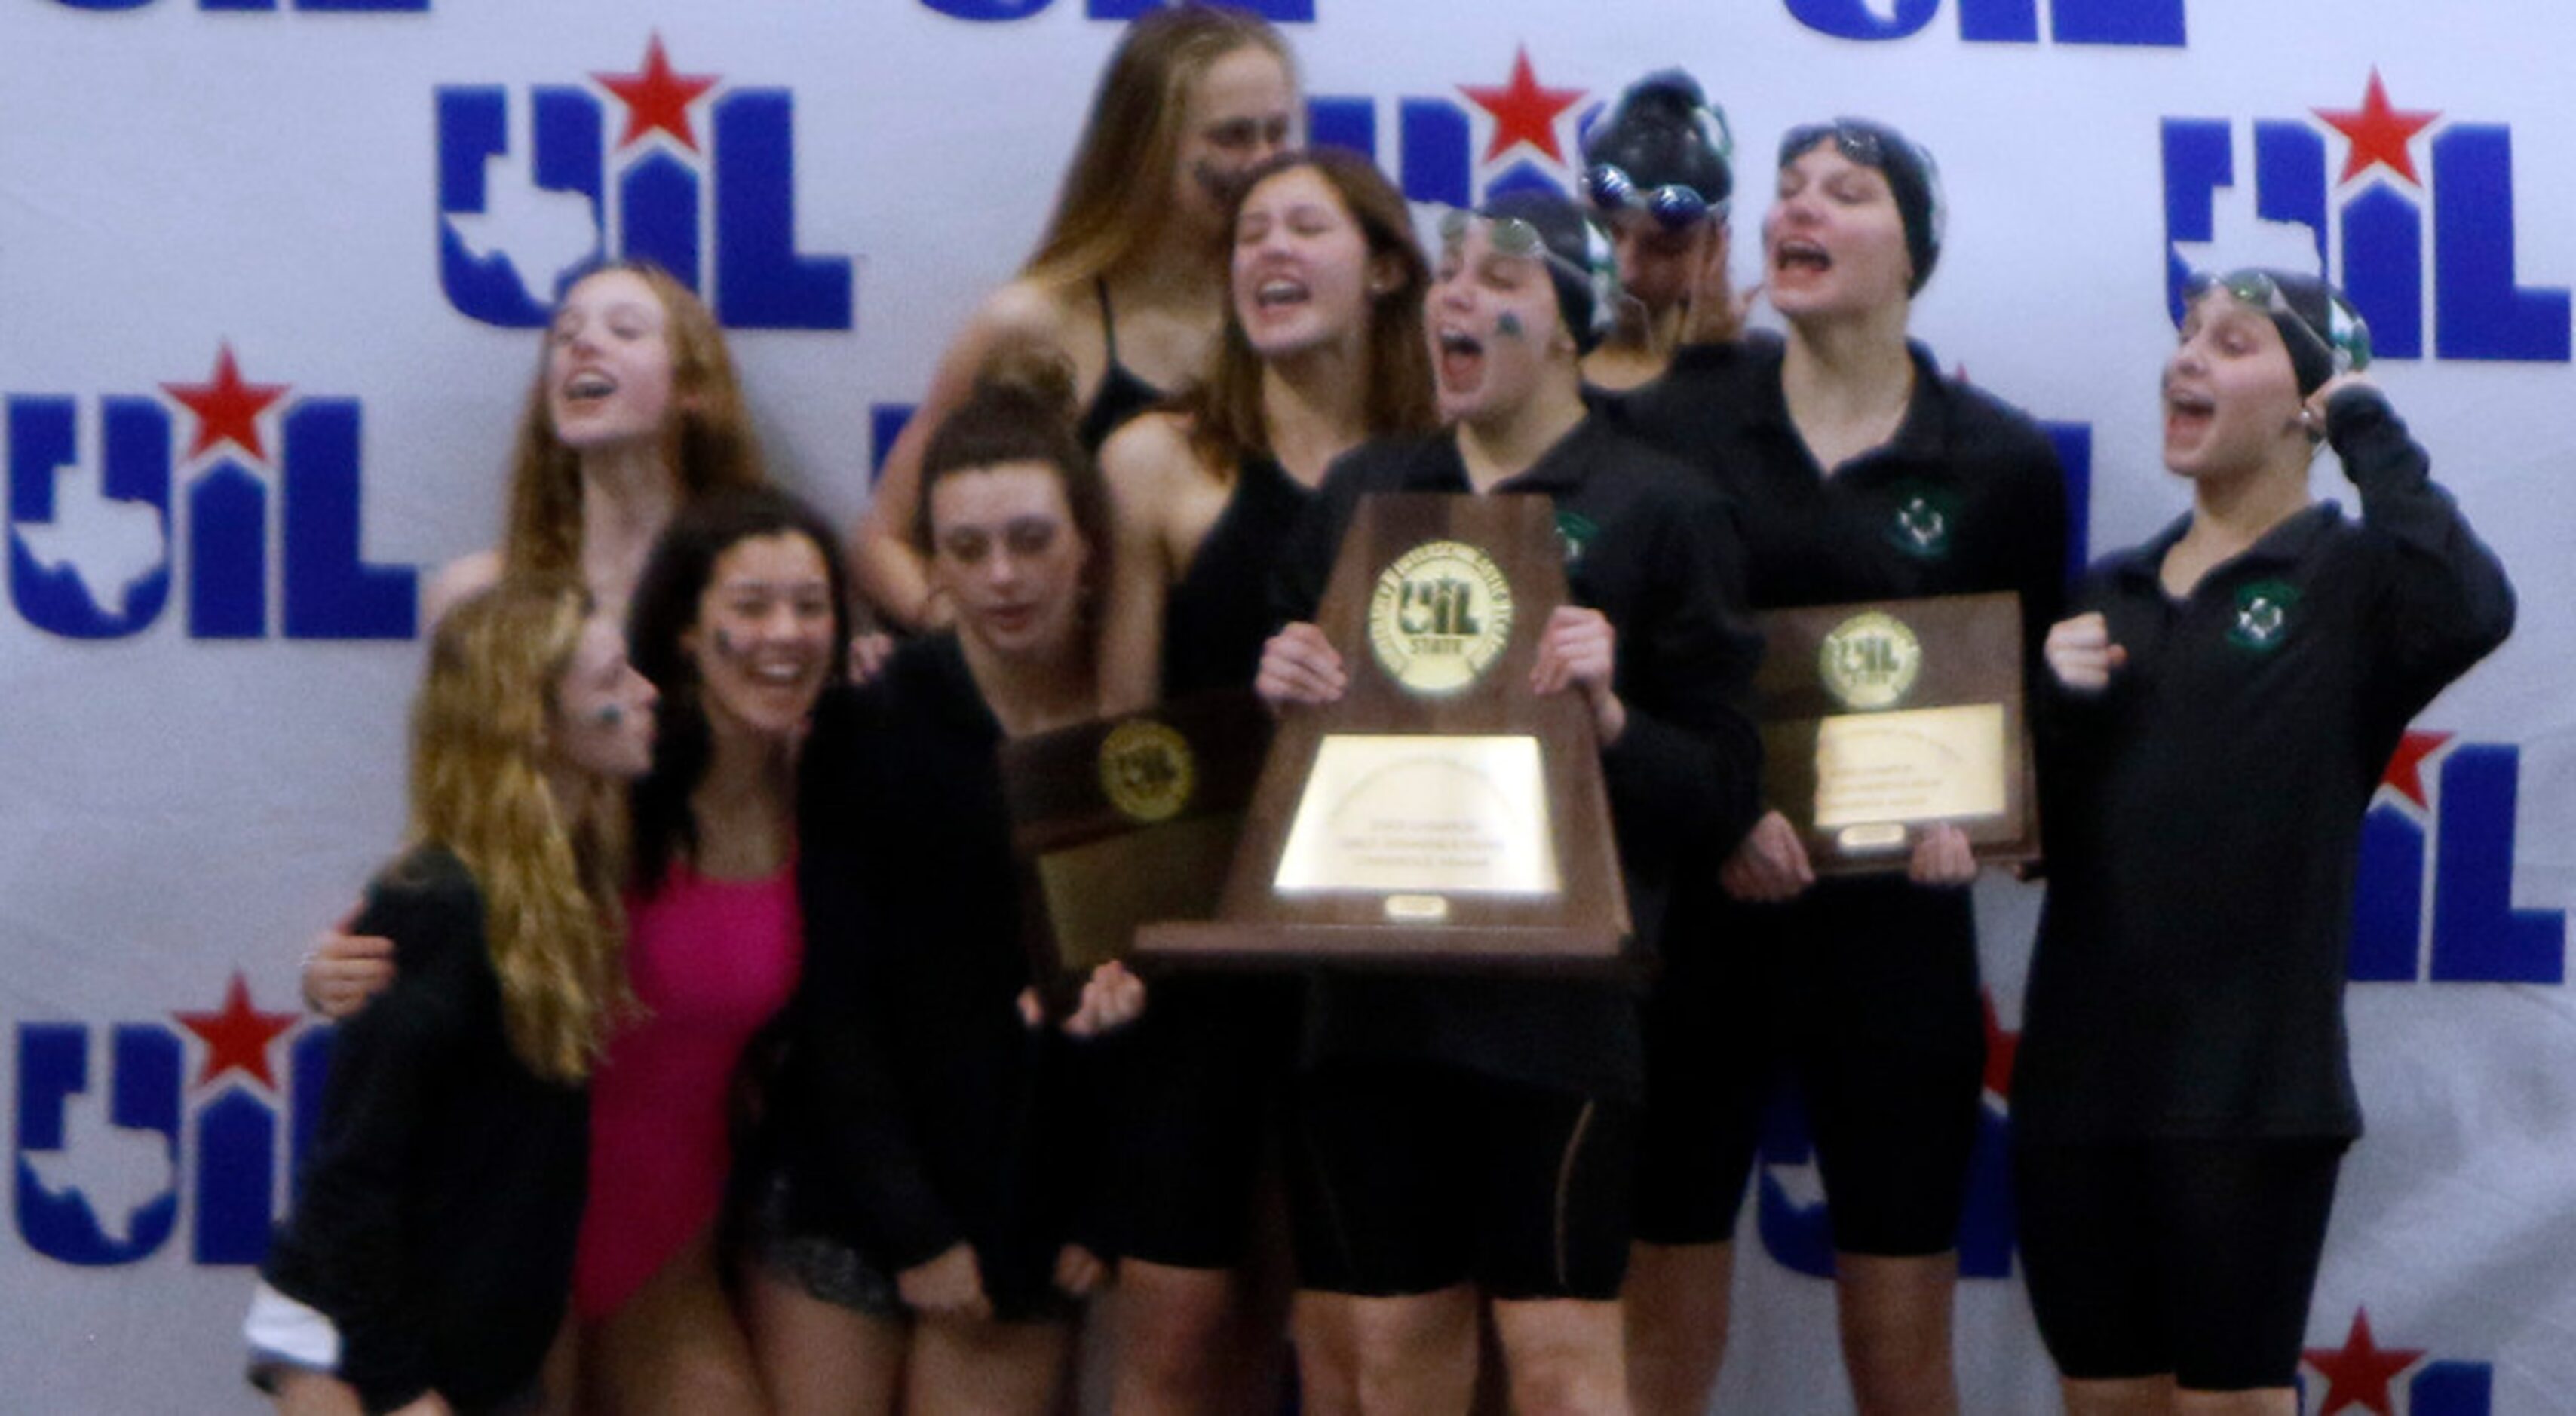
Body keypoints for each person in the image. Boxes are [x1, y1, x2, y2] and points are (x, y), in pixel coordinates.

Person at [1256, 190, 1763, 1416]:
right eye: (1447, 274)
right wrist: (1278, 688)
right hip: (1372, 987)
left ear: (1572, 326)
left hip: (1556, 1000)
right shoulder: (1362, 493)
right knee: (1397, 1348)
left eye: (1502, 280)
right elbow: (1271, 757)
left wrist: (1614, 720)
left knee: (1561, 1356)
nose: (1458, 296)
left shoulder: (1660, 503)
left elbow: (1726, 784)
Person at [1613, 117, 2070, 1416]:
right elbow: (1620, 674)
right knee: (1655, 1338)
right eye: (1788, 189)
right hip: (1697, 924)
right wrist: (1710, 819)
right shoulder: (1674, 417)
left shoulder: (2001, 461)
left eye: (1847, 192)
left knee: (1901, 1346)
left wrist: (1979, 822)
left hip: (1893, 938)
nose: (1798, 208)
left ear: (1913, 253)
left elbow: (2013, 710)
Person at [2013, 269, 2512, 1416]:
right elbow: (2046, 834)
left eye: (2232, 344)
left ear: (2309, 398)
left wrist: (2366, 422)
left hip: (2250, 1088)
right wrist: (2047, 713)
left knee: (2228, 1403)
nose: (2187, 359)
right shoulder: (2108, 591)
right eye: (2185, 338)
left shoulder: (2353, 578)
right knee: (2104, 1396)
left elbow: (2473, 605)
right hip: (2082, 1081)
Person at [1088, 146, 1435, 1414]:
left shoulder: (1452, 466)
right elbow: (1124, 736)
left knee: (1372, 1348)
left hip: (1386, 956)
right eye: (1249, 235)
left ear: (1387, 266)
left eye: (1305, 228)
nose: (1269, 252)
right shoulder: (1155, 460)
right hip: (1209, 950)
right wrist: (1114, 932)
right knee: (1181, 1339)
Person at [769, 354, 1122, 1416]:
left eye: (1030, 540)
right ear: (934, 564)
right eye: (967, 549)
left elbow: (1154, 1005)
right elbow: (834, 991)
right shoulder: (872, 720)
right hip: (855, 1202)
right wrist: (912, 1226)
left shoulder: (1131, 734)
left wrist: (1103, 1207)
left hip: (1030, 1215)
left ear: (1088, 548)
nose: (1003, 576)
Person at [305, 259, 765, 1021]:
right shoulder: (481, 597)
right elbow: (457, 818)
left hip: (723, 978)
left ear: (694, 389)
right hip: (549, 982)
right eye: (565, 336)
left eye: (624, 331)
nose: (584, 348)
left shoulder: (762, 598)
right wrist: (347, 964)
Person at [246, 579, 659, 1416]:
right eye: (613, 680)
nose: (647, 692)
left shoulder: (562, 873)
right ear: (536, 724)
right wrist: (400, 1389)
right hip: (357, 1342)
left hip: (469, 1344)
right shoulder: (441, 903)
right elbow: (352, 1178)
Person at [851, 2, 1296, 630]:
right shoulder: (1034, 321)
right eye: (1232, 137)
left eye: (1279, 134)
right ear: (1146, 146)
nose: (1264, 163)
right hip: (1084, 715)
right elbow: (882, 541)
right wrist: (981, 649)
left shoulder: (1299, 317)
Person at [580, 489, 853, 1415]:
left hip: (671, 1256)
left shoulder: (828, 794)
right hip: (515, 1236)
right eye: (750, 606)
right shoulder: (609, 781)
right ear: (687, 632)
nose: (786, 634)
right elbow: (445, 905)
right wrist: (337, 971)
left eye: (810, 606)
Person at [1577, 69, 1743, 391]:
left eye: (1665, 249)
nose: (1626, 272)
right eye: (1607, 235)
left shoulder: (1760, 385)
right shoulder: (1529, 375)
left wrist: (1713, 364)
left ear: (1714, 247)